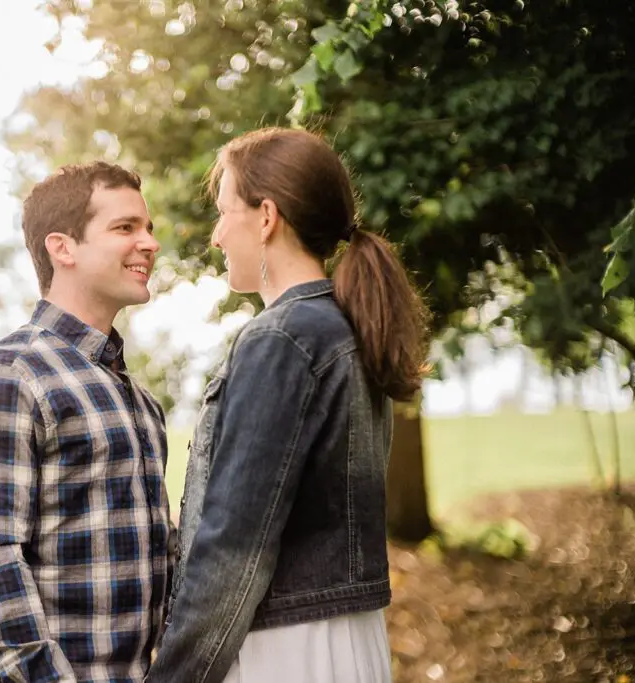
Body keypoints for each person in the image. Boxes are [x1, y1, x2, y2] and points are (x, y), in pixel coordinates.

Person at [147, 127, 430, 683]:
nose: (217, 234)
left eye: (226, 212)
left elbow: (234, 547)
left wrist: (174, 675)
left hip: (286, 650)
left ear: (267, 217)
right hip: (349, 640)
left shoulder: (282, 339)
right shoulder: (347, 328)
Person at [0, 161, 173, 682]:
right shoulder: (8, 376)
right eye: (125, 228)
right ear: (62, 248)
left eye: (149, 228)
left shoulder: (137, 400)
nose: (150, 244)